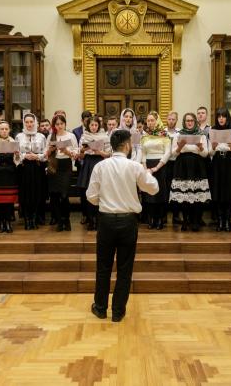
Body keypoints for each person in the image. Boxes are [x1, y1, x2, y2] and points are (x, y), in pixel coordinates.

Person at [86, 129, 159, 322]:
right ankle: (118, 312)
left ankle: (100, 308)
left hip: (106, 220)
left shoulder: (100, 167)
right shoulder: (134, 167)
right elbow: (153, 188)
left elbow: (90, 196)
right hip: (128, 221)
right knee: (125, 268)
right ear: (127, 145)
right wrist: (148, 173)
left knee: (103, 267)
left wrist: (104, 202)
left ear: (111, 145)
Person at [169, 113, 211, 232]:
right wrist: (179, 147)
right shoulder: (178, 134)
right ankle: (185, 220)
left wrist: (201, 147)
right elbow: (174, 154)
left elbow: (205, 153)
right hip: (182, 165)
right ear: (184, 122)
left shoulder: (201, 134)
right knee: (184, 194)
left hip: (197, 165)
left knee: (196, 194)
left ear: (195, 122)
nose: (189, 122)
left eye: (192, 120)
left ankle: (195, 221)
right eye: (187, 120)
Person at [209, 108, 231, 232]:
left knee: (229, 193)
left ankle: (227, 220)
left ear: (227, 118)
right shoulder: (213, 130)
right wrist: (213, 147)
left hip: (230, 163)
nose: (221, 119)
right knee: (218, 192)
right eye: (219, 117)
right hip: (217, 163)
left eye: (223, 116)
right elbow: (209, 153)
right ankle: (220, 220)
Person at [77, 115, 111, 230]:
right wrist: (83, 150)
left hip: (100, 162)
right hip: (88, 163)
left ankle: (99, 219)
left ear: (99, 125)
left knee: (100, 191)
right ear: (88, 125)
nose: (94, 127)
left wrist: (98, 151)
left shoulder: (104, 136)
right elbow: (80, 156)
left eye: (96, 125)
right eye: (92, 125)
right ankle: (90, 219)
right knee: (89, 191)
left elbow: (108, 154)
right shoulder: (84, 136)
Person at [46, 114, 78, 231]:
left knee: (64, 195)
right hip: (54, 165)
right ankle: (59, 221)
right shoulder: (51, 136)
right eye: (57, 124)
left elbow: (76, 154)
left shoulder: (71, 136)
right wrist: (51, 149)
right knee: (54, 195)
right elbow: (46, 154)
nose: (59, 126)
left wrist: (66, 151)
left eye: (61, 124)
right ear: (54, 125)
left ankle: (66, 219)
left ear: (65, 124)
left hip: (66, 166)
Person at [16, 113, 47, 230]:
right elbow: (16, 153)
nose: (29, 124)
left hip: (37, 167)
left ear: (35, 122)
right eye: (27, 122)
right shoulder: (19, 136)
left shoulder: (41, 136)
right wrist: (24, 156)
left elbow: (45, 154)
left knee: (36, 193)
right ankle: (27, 219)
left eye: (31, 122)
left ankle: (34, 218)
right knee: (25, 194)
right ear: (24, 123)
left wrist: (37, 156)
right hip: (24, 168)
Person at [140, 111, 171, 230]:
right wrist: (145, 168)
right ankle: (151, 219)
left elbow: (168, 153)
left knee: (160, 193)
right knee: (148, 194)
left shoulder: (164, 134)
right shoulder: (144, 136)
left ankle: (159, 219)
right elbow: (143, 153)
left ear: (157, 121)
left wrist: (156, 167)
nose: (150, 122)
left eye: (152, 120)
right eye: (148, 120)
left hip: (161, 166)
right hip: (147, 166)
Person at [164, 111, 181, 225]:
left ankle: (176, 215)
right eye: (169, 119)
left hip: (176, 163)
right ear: (166, 119)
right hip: (164, 163)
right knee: (165, 189)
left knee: (176, 188)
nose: (171, 121)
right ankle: (164, 215)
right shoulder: (162, 132)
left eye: (173, 119)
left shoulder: (180, 132)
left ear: (176, 120)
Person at [37, 117, 51, 225]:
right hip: (40, 167)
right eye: (42, 126)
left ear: (50, 126)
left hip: (53, 167)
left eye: (46, 125)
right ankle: (40, 216)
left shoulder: (52, 137)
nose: (44, 127)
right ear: (39, 128)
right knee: (40, 192)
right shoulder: (39, 138)